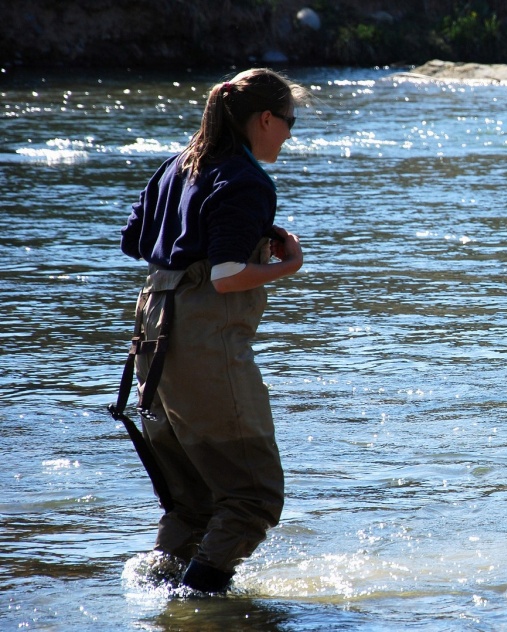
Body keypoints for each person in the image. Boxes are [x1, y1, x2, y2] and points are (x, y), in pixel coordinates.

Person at [119, 68, 307, 592]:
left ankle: (156, 601)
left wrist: (231, 231)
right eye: (289, 123)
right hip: (202, 345)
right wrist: (286, 264)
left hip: (151, 342)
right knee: (252, 498)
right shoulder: (246, 179)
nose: (291, 135)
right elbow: (226, 278)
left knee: (194, 501)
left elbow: (135, 241)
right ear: (264, 119)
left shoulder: (177, 165)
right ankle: (200, 607)